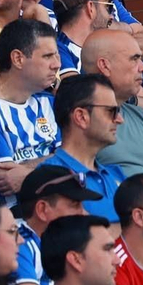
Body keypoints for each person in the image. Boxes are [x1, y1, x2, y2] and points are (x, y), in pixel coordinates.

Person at [0, 20, 63, 196]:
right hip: (14, 216)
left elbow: (75, 158)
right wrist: (56, 160)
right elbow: (6, 179)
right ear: (18, 59)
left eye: (57, 56)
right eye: (47, 56)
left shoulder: (49, 102)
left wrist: (27, 170)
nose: (57, 64)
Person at [47, 73, 126, 221]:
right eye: (112, 111)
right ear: (81, 117)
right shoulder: (51, 179)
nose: (120, 120)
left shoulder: (116, 173)